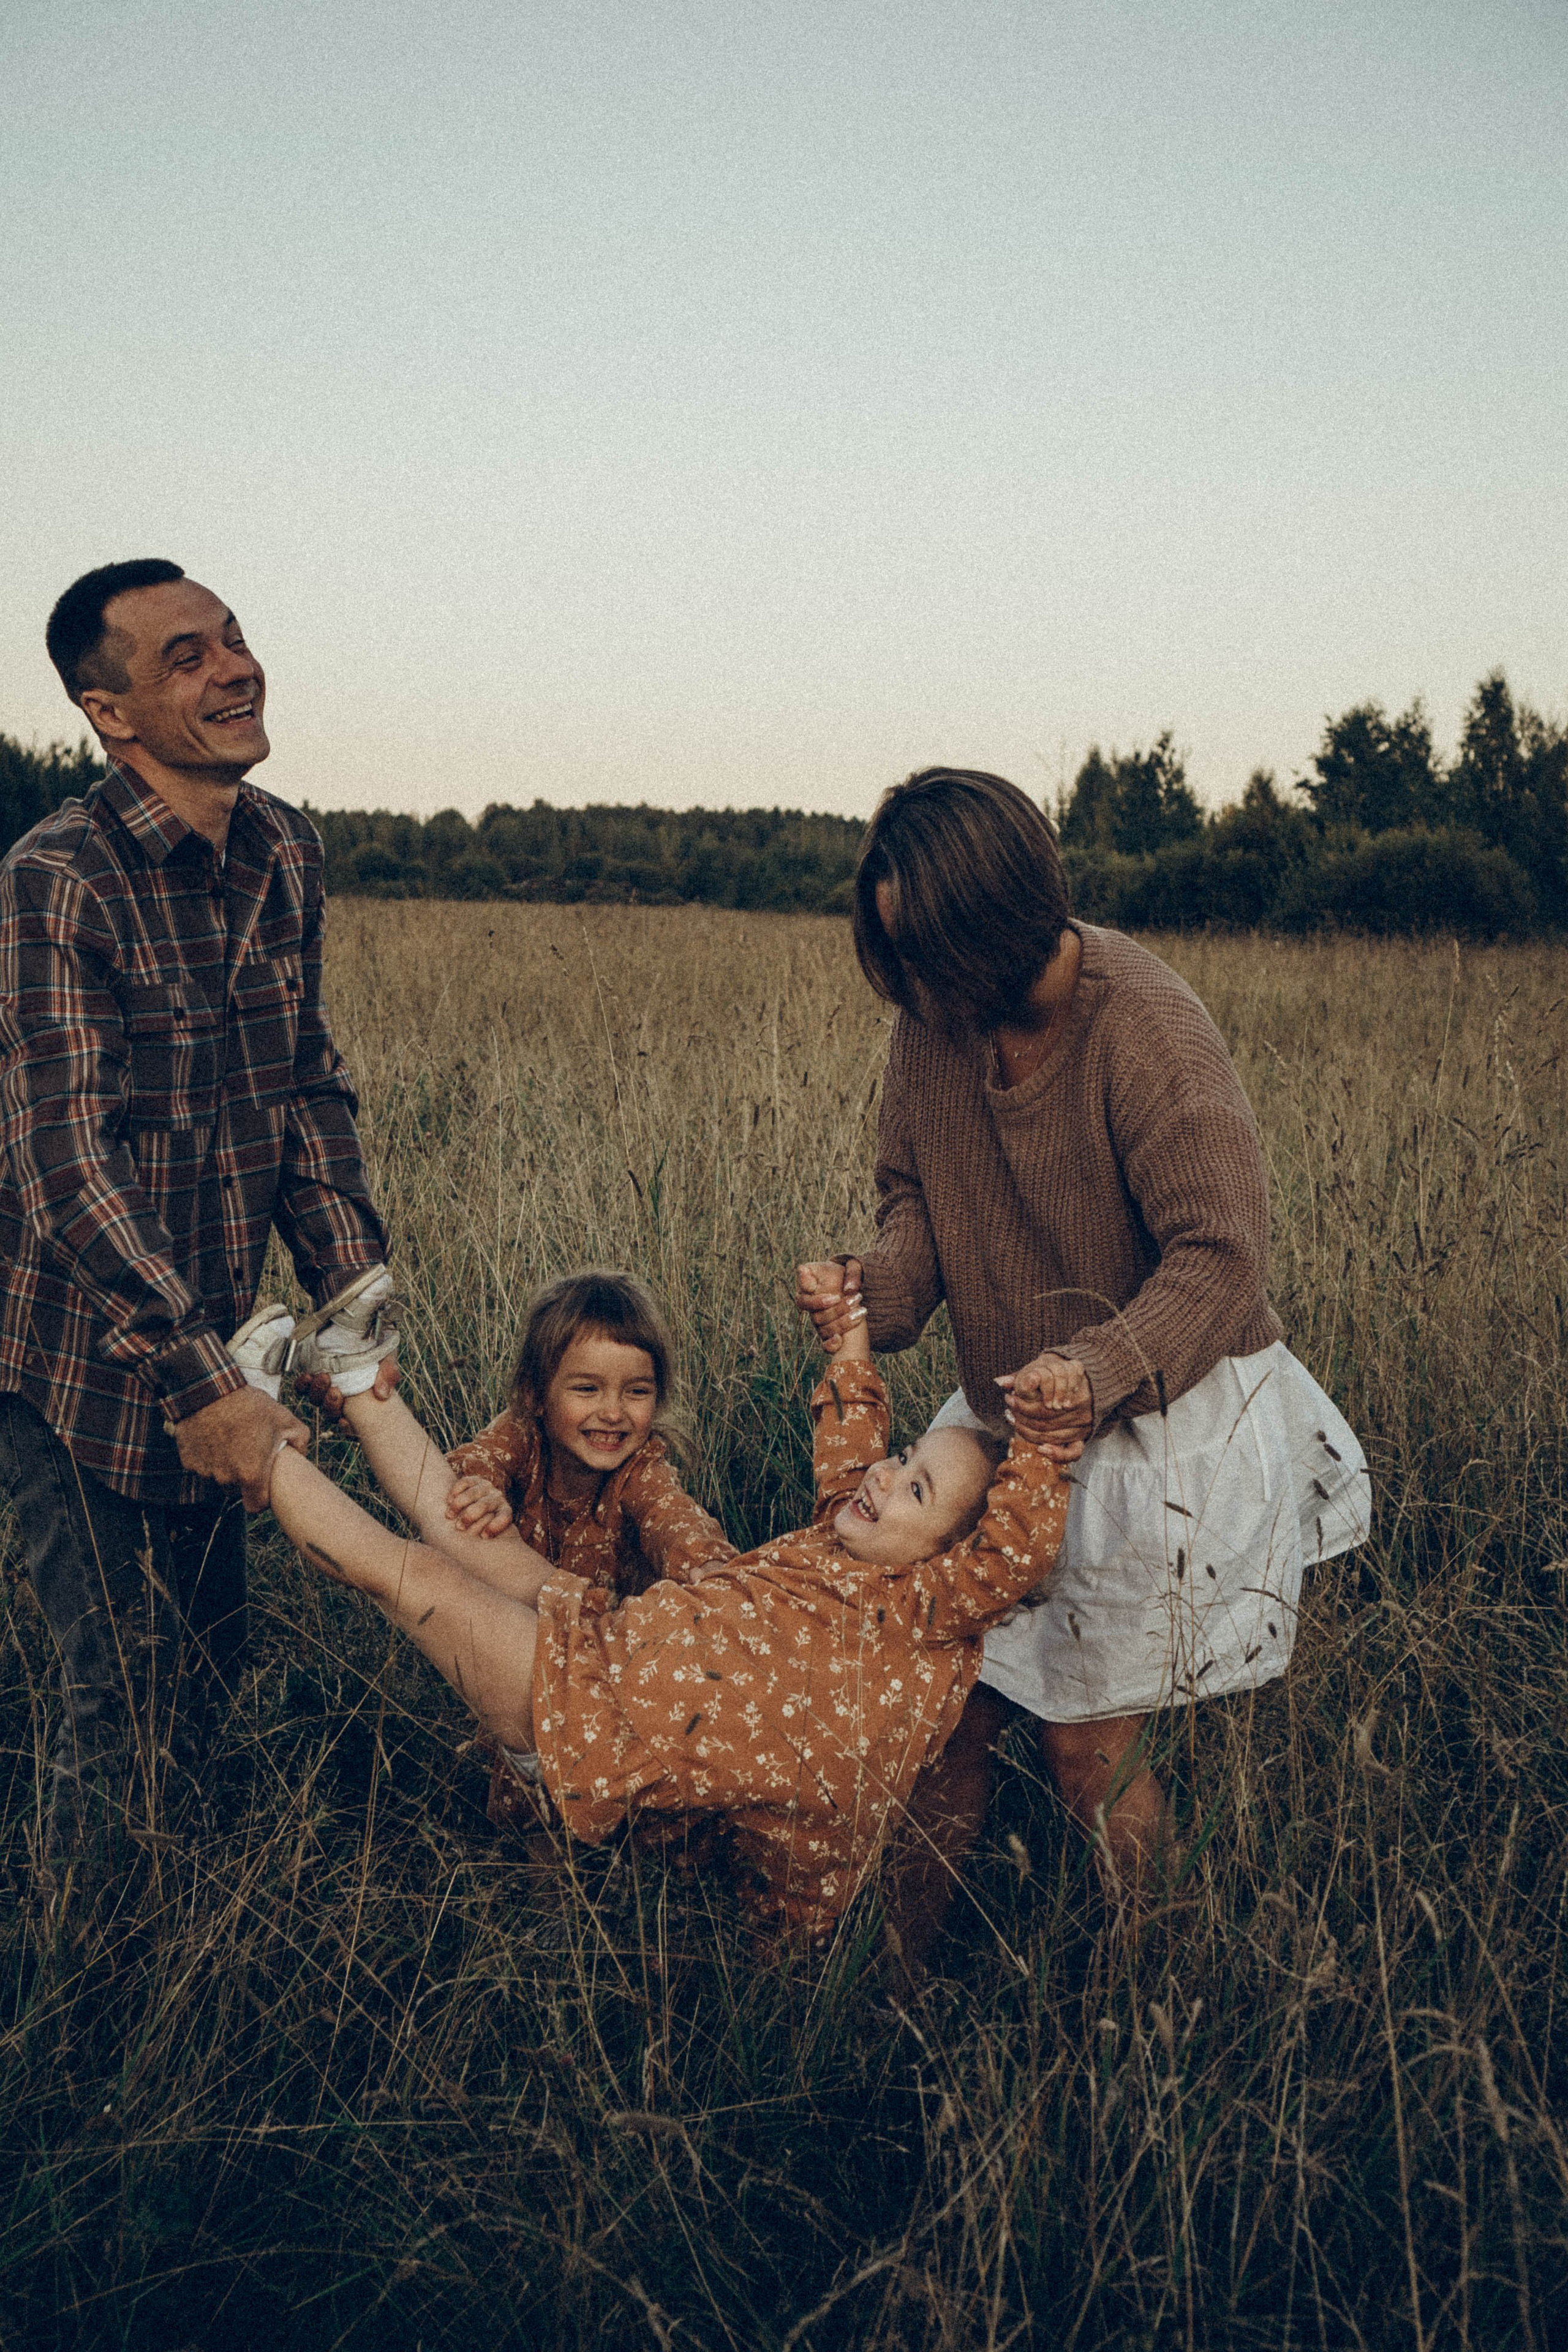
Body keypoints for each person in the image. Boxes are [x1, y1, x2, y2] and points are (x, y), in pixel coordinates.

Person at [798, 767, 1370, 1942]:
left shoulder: (1145, 1024)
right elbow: (915, 1194)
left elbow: (1221, 1257)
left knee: (1083, 1744)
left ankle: (1143, 2009)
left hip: (1159, 1422)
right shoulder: (934, 1025)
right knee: (945, 1713)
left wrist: (1098, 1371)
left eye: (924, 954)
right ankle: (897, 1995)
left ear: (993, 926)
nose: (907, 987)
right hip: (1012, 1416)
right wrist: (876, 1293)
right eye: (896, 955)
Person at [241, 1263, 1071, 1938]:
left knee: (415, 1576)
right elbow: (854, 1437)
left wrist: (1041, 1446)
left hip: (601, 1712)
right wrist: (847, 1333)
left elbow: (1012, 1550)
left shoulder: (927, 1606)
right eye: (905, 1457)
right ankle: (353, 1373)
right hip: (615, 1639)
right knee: (459, 1541)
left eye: (916, 1488)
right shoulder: (847, 1535)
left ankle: (253, 1438)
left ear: (954, 1560)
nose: (886, 1477)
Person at [0, 557, 391, 1896]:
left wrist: (351, 1306)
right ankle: (71, 2041)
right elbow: (62, 1160)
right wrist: (197, 1373)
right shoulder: (58, 880)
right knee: (118, 1717)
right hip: (84, 1369)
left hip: (229, 1361)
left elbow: (304, 1087)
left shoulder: (285, 849)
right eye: (185, 657)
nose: (234, 668)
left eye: (232, 639)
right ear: (110, 715)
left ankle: (180, 1967)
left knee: (208, 1684)